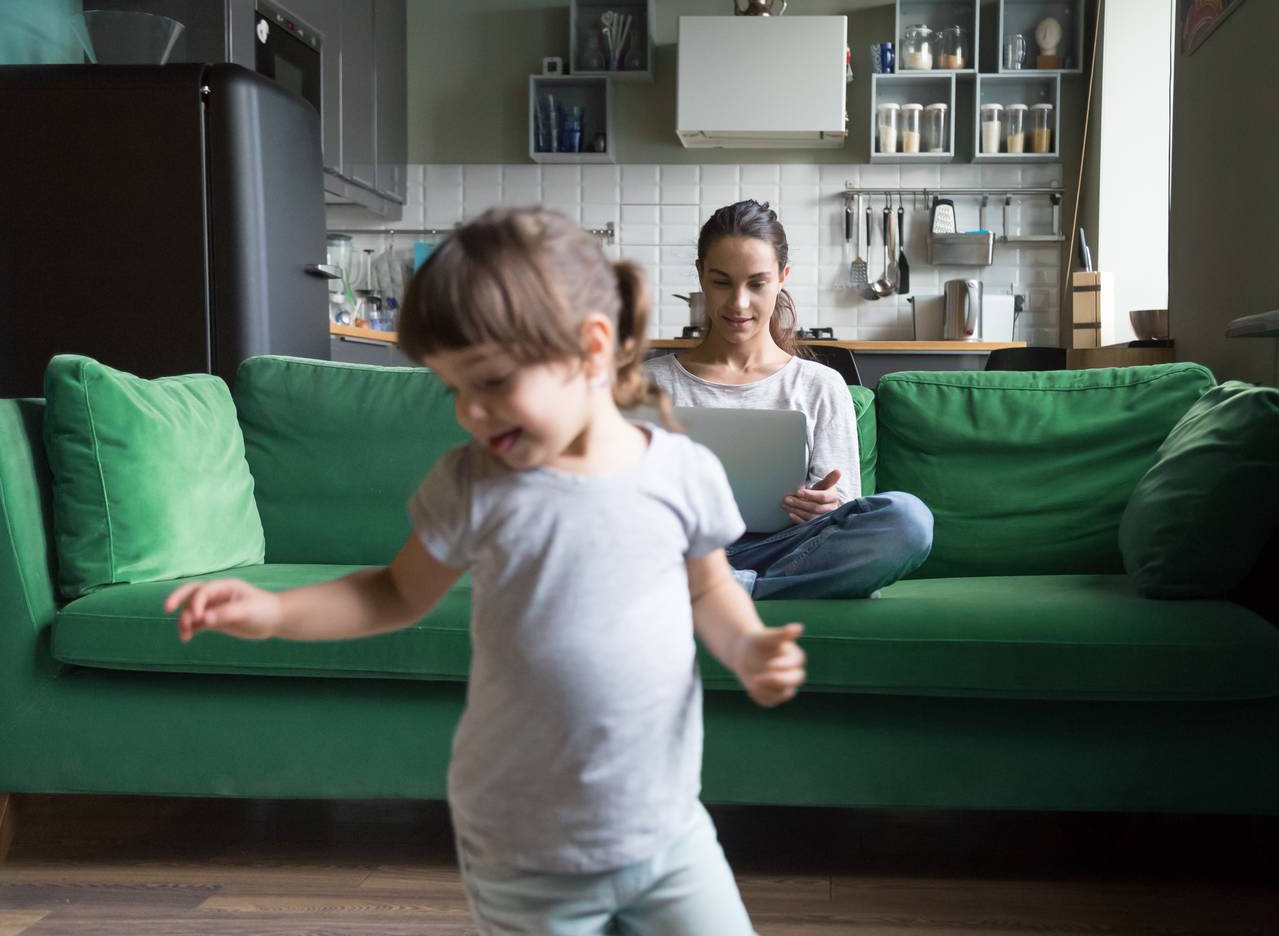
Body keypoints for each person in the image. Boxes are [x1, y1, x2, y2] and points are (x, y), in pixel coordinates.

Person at [165, 207, 805, 935]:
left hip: (667, 835)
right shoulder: (475, 483)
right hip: (524, 851)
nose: (470, 412)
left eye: (492, 382)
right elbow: (392, 592)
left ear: (591, 349)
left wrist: (747, 644)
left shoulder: (681, 471)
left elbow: (710, 586)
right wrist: (277, 614)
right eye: (452, 389)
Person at [644, 200, 934, 600]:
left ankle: (727, 589)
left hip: (787, 549)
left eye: (757, 283)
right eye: (722, 282)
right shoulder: (647, 384)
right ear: (701, 277)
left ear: (782, 278)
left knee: (908, 519)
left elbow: (843, 504)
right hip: (679, 550)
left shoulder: (820, 385)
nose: (739, 303)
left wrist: (823, 506)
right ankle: (749, 588)